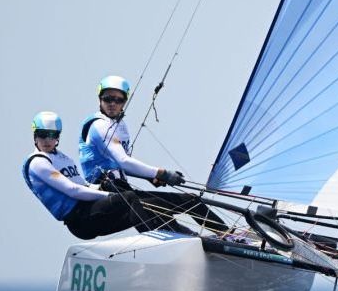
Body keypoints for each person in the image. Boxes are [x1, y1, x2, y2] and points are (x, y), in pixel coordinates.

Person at [78, 75, 227, 233]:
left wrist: (149, 177)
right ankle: (207, 240)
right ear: (100, 99)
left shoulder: (119, 126)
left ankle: (227, 237)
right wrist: (162, 173)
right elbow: (123, 161)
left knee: (190, 202)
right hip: (111, 193)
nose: (113, 104)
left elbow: (121, 166)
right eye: (108, 99)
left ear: (124, 102)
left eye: (118, 100)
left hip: (124, 188)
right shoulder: (99, 125)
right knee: (163, 212)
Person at [23, 111, 195, 239]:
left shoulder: (63, 158)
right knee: (128, 197)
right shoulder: (38, 163)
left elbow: (83, 185)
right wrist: (110, 195)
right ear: (34, 136)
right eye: (42, 135)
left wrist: (100, 188)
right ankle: (158, 241)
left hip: (91, 211)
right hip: (80, 221)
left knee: (143, 205)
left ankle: (186, 237)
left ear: (57, 137)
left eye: (52, 135)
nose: (47, 140)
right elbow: (73, 190)